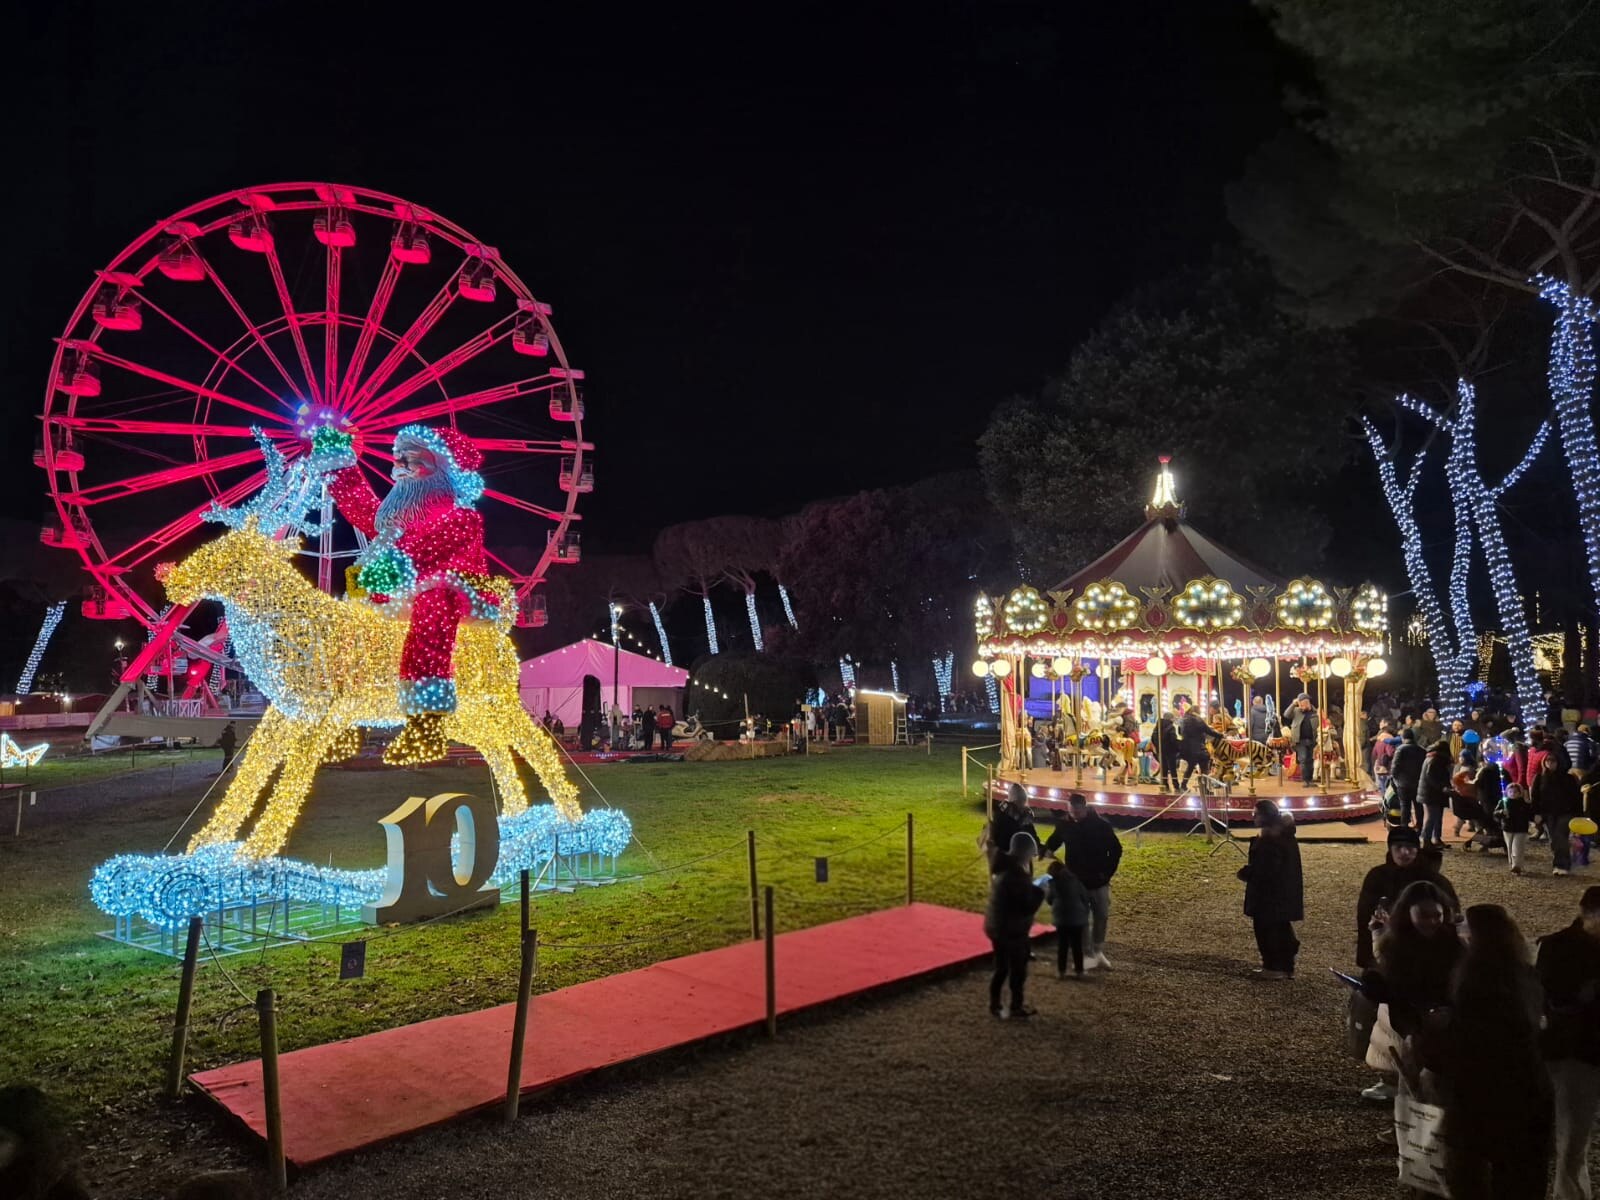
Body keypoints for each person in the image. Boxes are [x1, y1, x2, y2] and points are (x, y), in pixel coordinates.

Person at [311, 421, 493, 764]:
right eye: (396, 460)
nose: (398, 469)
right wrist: (338, 460)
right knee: (347, 625)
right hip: (396, 593)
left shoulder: (462, 519)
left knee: (433, 607)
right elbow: (365, 508)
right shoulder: (398, 517)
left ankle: (427, 723)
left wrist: (388, 570)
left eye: (409, 461)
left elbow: (427, 554)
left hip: (459, 591)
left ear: (441, 470)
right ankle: (346, 719)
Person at [1428, 905, 1551, 1200]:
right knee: (1520, 1177)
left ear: (1475, 935)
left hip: (1483, 1097)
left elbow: (1472, 1040)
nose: (1458, 929)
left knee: (1473, 1177)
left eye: (1463, 925)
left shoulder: (1476, 980)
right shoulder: (1524, 974)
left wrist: (1441, 1027)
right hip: (1529, 1093)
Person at [1537, 887, 1600, 1200]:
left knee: (1574, 1134)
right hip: (1573, 1052)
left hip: (1583, 1050)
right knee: (1572, 1134)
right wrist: (1581, 998)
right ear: (1584, 913)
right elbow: (1546, 998)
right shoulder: (1557, 947)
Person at [1043, 793, 1123, 970]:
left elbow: (1116, 850)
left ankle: (1098, 950)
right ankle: (1087, 954)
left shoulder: (1101, 826)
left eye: (1078, 812)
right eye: (1072, 812)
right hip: (1076, 881)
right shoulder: (1065, 824)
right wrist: (1046, 849)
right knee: (1082, 919)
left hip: (1098, 880)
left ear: (1084, 808)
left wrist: (1107, 874)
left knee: (1101, 915)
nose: (1075, 816)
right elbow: (1054, 840)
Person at [1237, 800, 1302, 980]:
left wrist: (1247, 873)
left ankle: (1274, 967)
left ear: (1265, 816)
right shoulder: (1282, 835)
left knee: (1268, 930)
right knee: (1280, 927)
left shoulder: (1271, 840)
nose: (1253, 817)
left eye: (1255, 814)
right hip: (1281, 894)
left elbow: (1266, 869)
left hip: (1270, 896)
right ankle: (1285, 966)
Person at [984, 831, 1045, 1019]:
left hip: (997, 926)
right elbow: (1025, 907)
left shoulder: (1003, 867)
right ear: (1025, 853)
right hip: (1012, 930)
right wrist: (1040, 892)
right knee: (1018, 970)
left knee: (1001, 967)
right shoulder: (1016, 875)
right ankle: (1016, 1007)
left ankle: (995, 1004)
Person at [1534, 752, 1583, 877]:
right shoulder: (1539, 778)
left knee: (1560, 836)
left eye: (1553, 760)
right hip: (1548, 814)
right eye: (1547, 761)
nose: (1550, 763)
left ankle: (1561, 865)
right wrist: (1536, 813)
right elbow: (1535, 797)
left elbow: (1576, 797)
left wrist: (1578, 814)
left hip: (1565, 812)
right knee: (1554, 840)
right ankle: (1561, 861)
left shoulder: (1568, 778)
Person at [1044, 858, 1091, 979]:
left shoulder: (1053, 883)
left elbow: (1049, 900)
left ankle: (1061, 971)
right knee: (1077, 945)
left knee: (1062, 945)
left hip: (1062, 919)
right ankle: (1079, 971)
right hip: (1078, 917)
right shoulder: (1075, 879)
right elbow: (1085, 896)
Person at [987, 783, 1040, 871]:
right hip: (1008, 855)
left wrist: (1038, 846)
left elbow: (1032, 834)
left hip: (1017, 856)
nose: (1022, 805)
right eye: (1020, 801)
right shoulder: (1003, 816)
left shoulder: (1024, 815)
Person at [1417, 738, 1453, 851]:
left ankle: (1435, 839)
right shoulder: (1435, 760)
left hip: (1431, 793)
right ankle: (1426, 839)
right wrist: (1442, 787)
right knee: (1432, 817)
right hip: (1431, 794)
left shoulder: (1432, 758)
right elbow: (1431, 777)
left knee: (1436, 817)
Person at [1285, 693, 1318, 785]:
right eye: (1300, 704)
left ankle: (1310, 780)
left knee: (1310, 760)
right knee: (1303, 759)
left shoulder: (1315, 712)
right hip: (1300, 740)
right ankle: (1305, 780)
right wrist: (1293, 704)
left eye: (1303, 704)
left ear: (1308, 703)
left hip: (1312, 740)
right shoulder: (1296, 711)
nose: (1301, 706)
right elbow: (1286, 715)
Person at [1503, 780, 1535, 874]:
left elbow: (1529, 814)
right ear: (1507, 793)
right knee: (1509, 846)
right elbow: (1496, 814)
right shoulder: (1504, 803)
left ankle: (1517, 865)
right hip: (1508, 828)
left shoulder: (1524, 804)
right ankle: (1512, 864)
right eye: (1510, 792)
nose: (1513, 794)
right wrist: (1501, 813)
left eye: (1515, 792)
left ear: (1519, 793)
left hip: (1521, 828)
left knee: (1517, 847)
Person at [1178, 705, 1211, 790]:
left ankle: (1183, 785)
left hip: (1190, 748)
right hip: (1199, 747)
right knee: (1204, 769)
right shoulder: (1198, 720)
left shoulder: (1183, 720)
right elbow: (1205, 732)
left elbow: (1180, 732)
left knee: (1191, 767)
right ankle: (1204, 788)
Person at [1155, 710, 1180, 792]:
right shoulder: (1171, 727)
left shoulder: (1158, 726)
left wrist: (1158, 747)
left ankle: (1165, 785)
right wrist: (1177, 747)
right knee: (1173, 769)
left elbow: (1153, 737)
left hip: (1161, 750)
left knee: (1164, 768)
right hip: (1170, 750)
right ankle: (1176, 786)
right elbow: (1173, 739)